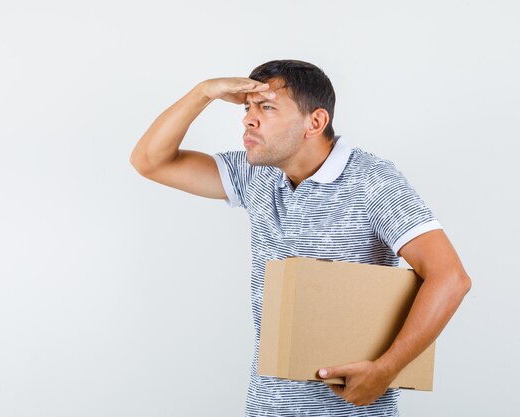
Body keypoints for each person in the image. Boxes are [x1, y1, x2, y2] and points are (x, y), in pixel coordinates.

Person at [130, 59, 471, 416]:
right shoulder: (256, 174)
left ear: (316, 122)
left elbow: (450, 277)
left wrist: (386, 370)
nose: (248, 118)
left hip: (348, 409)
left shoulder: (372, 181)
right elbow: (150, 161)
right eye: (247, 108)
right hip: (266, 405)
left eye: (267, 107)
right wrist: (204, 92)